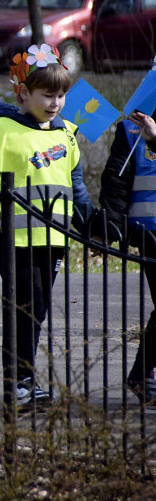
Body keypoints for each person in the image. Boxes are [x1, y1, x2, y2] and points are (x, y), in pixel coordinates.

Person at [0, 43, 92, 407]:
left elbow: (77, 189)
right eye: (48, 95)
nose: (56, 102)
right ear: (23, 92)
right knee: (24, 307)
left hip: (55, 238)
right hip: (11, 237)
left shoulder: (68, 133)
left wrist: (94, 224)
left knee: (37, 310)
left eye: (61, 95)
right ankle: (19, 383)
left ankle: (22, 380)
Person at [99, 108, 156, 406]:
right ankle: (142, 373)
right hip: (150, 233)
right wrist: (109, 228)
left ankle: (141, 372)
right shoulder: (132, 129)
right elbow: (116, 183)